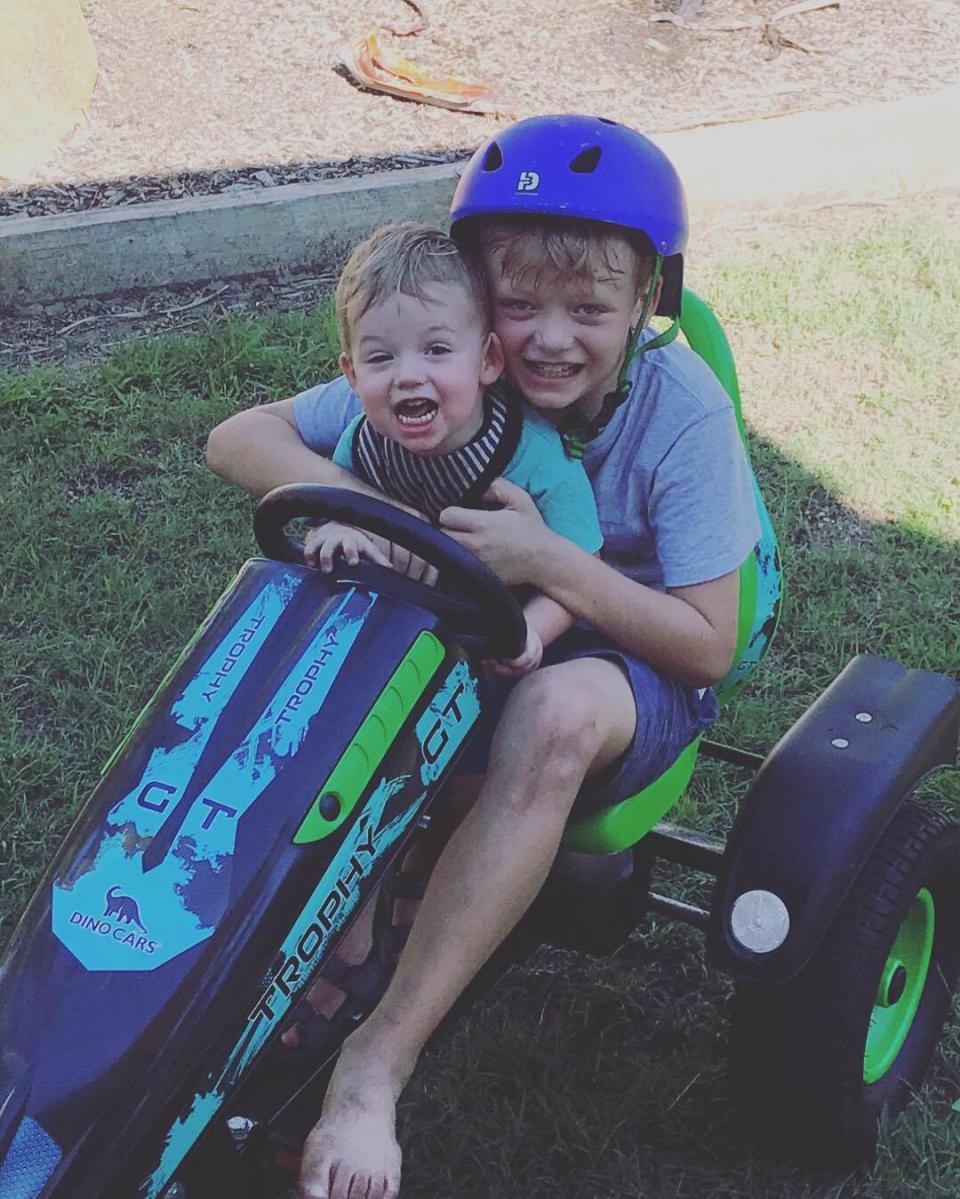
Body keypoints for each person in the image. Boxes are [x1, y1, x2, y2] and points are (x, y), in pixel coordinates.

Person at [206, 114, 762, 1199]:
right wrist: (376, 515)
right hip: (479, 625)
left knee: (549, 711)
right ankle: (249, 926)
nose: (553, 339)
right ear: (481, 311)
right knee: (317, 643)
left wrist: (548, 558)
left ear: (646, 302)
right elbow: (240, 437)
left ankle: (375, 1065)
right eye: (522, 305)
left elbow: (708, 643)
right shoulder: (457, 368)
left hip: (634, 652)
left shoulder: (680, 412)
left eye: (590, 309)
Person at [310, 220, 602, 681]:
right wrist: (332, 533)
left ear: (488, 360)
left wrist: (532, 632)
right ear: (352, 374)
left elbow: (582, 567)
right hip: (399, 638)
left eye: (437, 349)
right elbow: (337, 513)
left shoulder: (535, 457)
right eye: (381, 358)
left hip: (504, 650)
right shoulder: (364, 445)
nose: (407, 375)